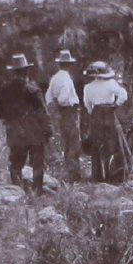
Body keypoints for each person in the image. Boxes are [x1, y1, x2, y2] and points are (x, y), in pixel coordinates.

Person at [0, 53, 53, 194]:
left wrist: (10, 118)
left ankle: (16, 191)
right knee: (37, 164)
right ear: (26, 71)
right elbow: (43, 112)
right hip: (34, 133)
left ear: (13, 72)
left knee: (16, 164)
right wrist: (48, 130)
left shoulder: (3, 91)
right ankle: (37, 192)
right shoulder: (32, 90)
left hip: (14, 132)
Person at [82, 61, 131, 184]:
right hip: (108, 113)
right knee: (114, 143)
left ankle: (98, 176)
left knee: (97, 145)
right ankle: (116, 175)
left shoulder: (88, 87)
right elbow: (123, 95)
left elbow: (87, 105)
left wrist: (92, 112)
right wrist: (115, 105)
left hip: (95, 114)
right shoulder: (110, 84)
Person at [44, 50, 82, 181]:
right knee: (74, 141)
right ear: (69, 65)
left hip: (61, 112)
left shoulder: (55, 78)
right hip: (69, 111)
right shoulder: (66, 79)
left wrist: (54, 109)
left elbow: (48, 97)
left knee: (65, 141)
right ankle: (74, 174)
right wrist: (61, 104)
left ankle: (69, 171)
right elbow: (64, 98)